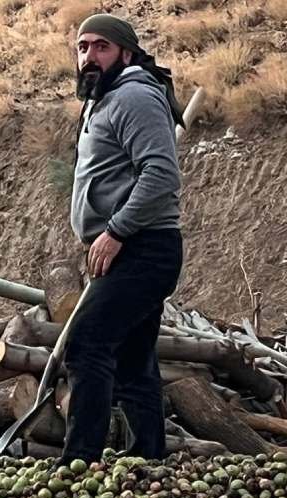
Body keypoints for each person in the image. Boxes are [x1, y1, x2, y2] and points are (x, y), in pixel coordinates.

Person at [59, 13, 185, 465]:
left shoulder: (133, 96)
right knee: (133, 362)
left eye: (101, 47)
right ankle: (149, 462)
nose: (89, 56)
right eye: (83, 47)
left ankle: (80, 463)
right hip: (132, 247)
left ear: (126, 53)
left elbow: (162, 175)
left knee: (86, 345)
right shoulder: (103, 98)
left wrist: (116, 231)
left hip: (143, 247)